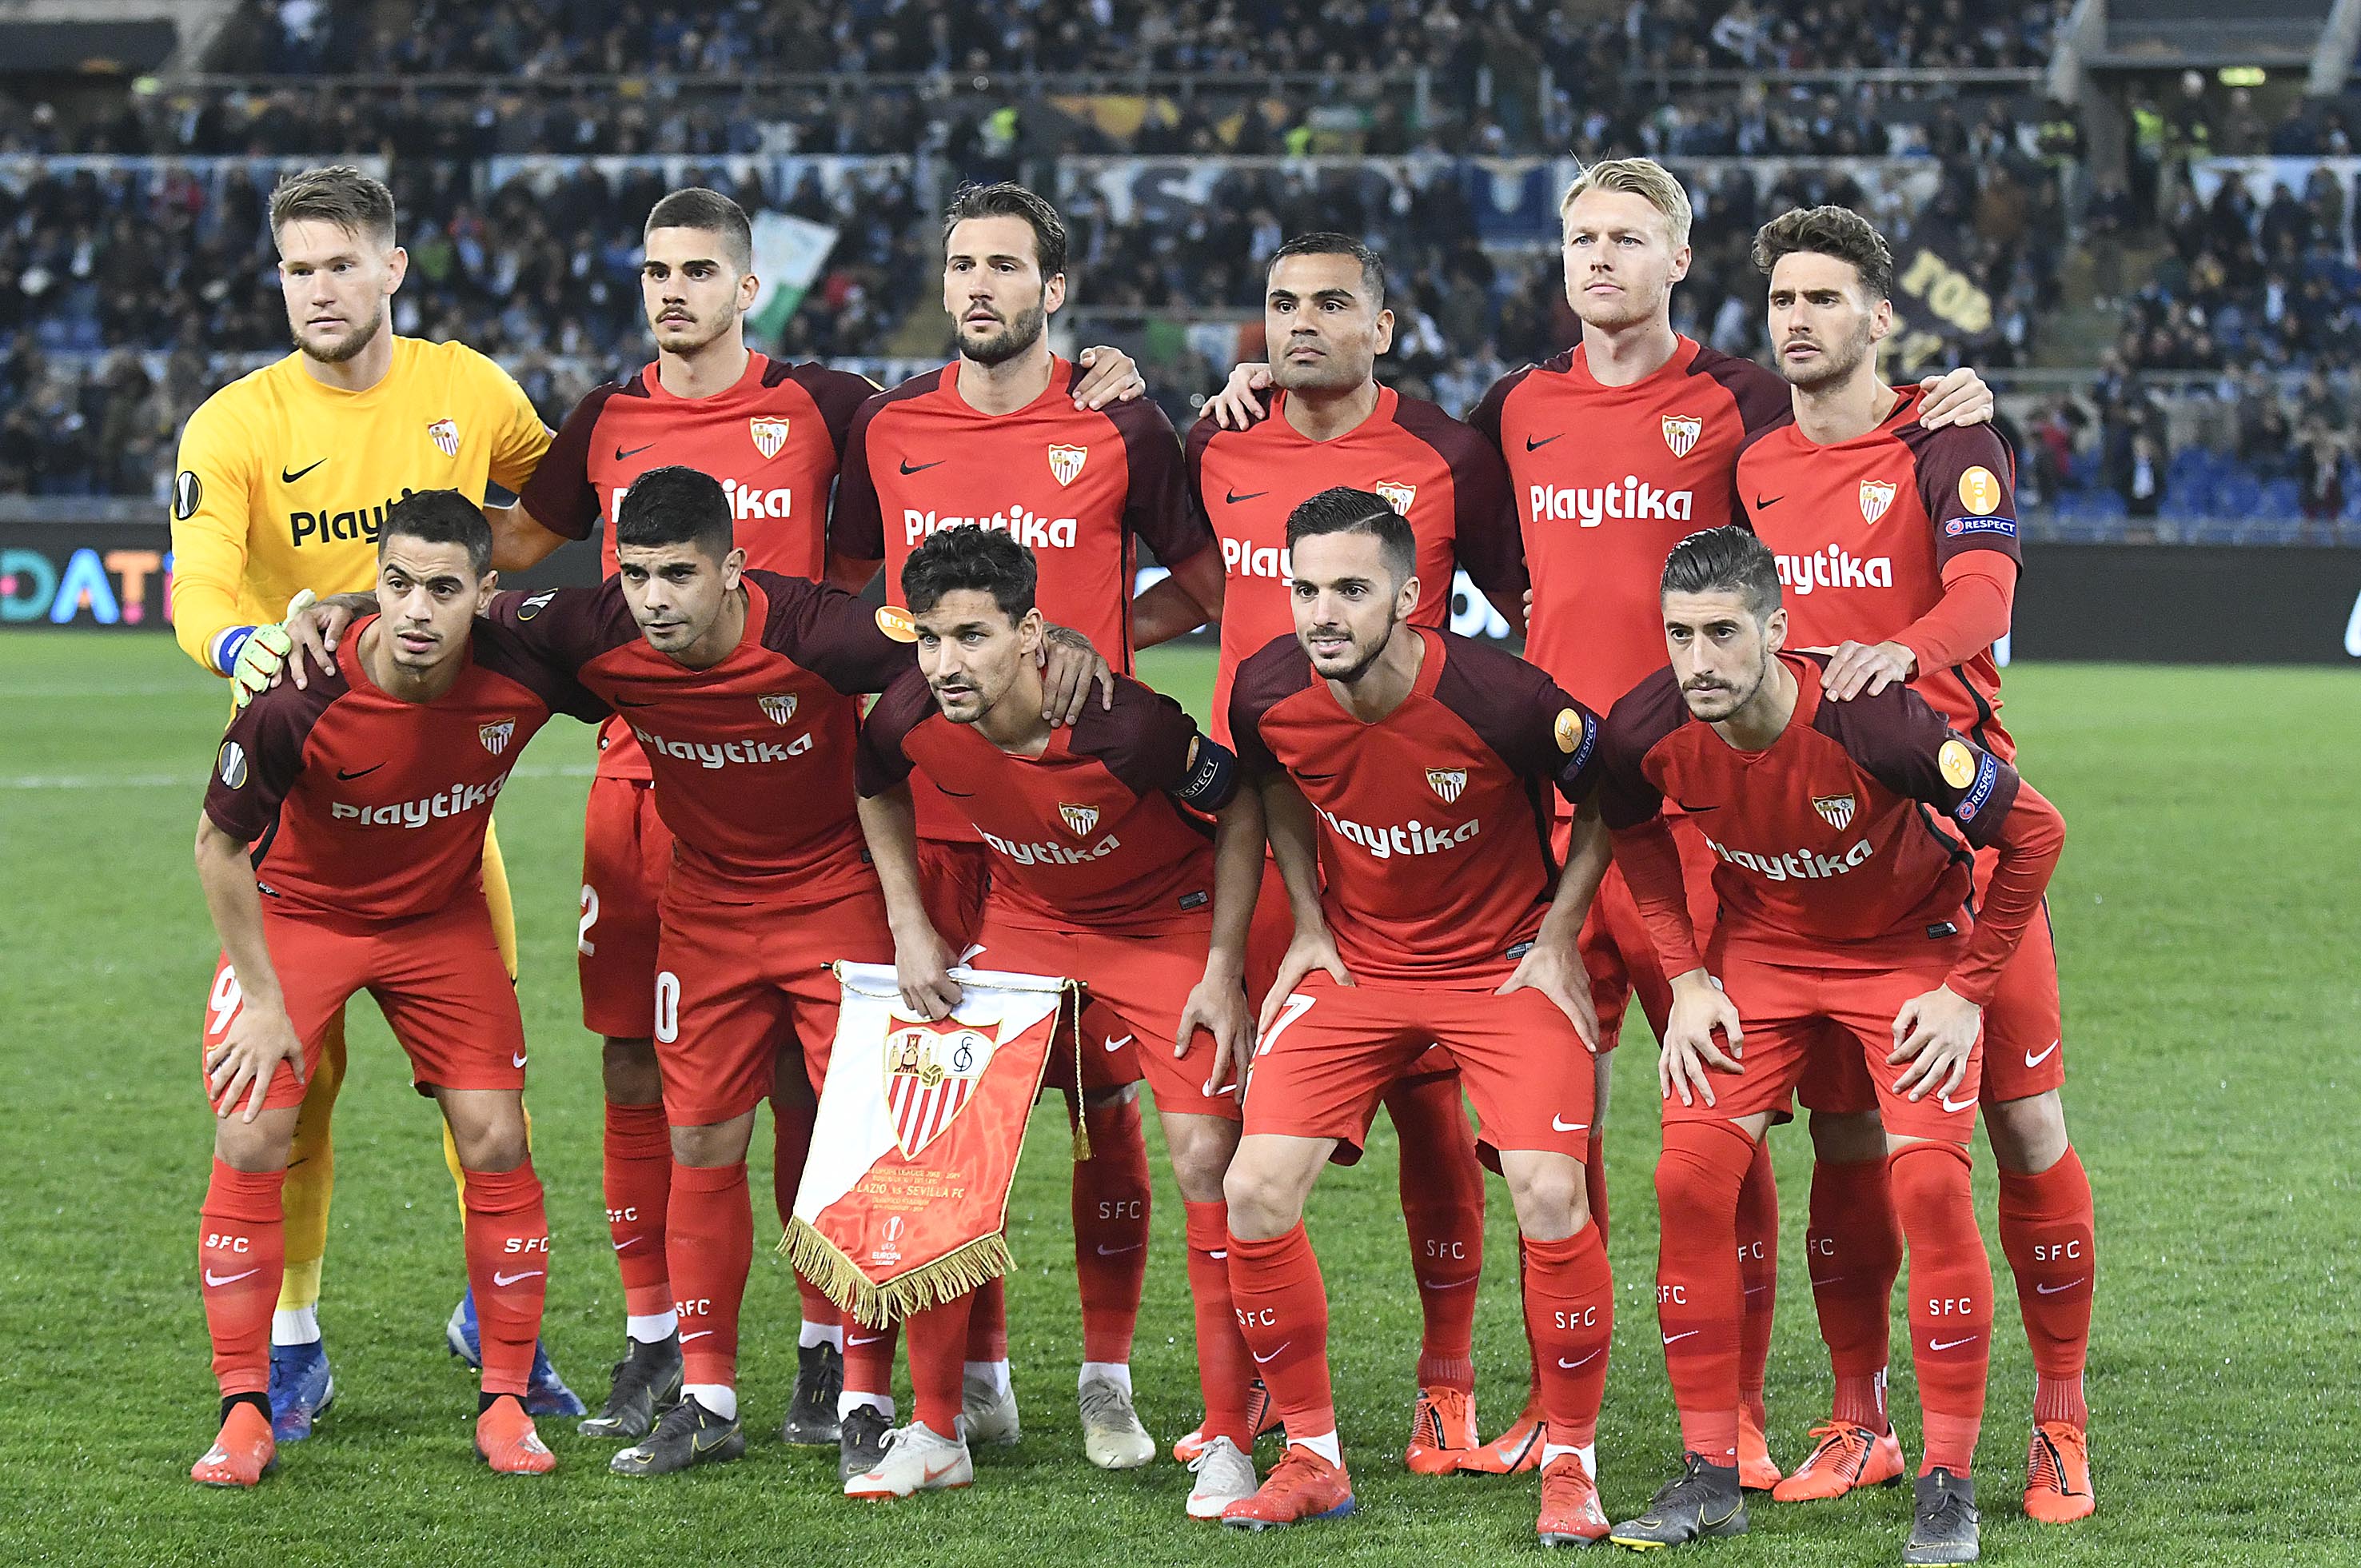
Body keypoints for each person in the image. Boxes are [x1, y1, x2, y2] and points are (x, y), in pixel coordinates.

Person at [1202, 158, 1998, 1478]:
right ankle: (1546, 1413)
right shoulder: (1513, 410)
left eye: (1628, 238)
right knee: (1536, 1128)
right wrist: (1242, 389)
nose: (1599, 259)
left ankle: (1756, 1411)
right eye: (1581, 238)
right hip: (1560, 820)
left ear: (1678, 259)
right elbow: (1496, 572)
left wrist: (1939, 401)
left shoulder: (1738, 399)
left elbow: (1846, 418)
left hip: (1709, 817)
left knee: (1728, 1129)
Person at [168, 162, 579, 1438]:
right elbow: (199, 588)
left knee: (487, 1102)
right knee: (288, 1091)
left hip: (444, 813)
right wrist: (258, 651)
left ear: (393, 267)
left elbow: (563, 500)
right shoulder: (233, 423)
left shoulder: (467, 389)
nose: (319, 289)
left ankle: (490, 1316)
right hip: (301, 799)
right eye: (298, 267)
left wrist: (485, 586)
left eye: (342, 262)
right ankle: (289, 1338)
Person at [826, 180, 1223, 1460]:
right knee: (953, 1114)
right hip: (941, 821)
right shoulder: (889, 429)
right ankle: (975, 1375)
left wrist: (1094, 642)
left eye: (1006, 265)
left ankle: (1105, 1375)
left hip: (1089, 814)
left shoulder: (1119, 422)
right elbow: (854, 592)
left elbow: (1206, 580)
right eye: (962, 265)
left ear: (1054, 290)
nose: (980, 285)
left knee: (1106, 1109)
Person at [1595, 525, 2064, 1566]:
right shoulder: (1642, 729)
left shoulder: (1877, 722)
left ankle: (1946, 1485)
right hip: (1762, 953)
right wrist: (1682, 975)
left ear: (1776, 629)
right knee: (1685, 1177)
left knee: (1934, 1186)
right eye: (1679, 634)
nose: (1698, 660)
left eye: (1722, 633)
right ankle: (1712, 1474)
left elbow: (2035, 830)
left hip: (1908, 953)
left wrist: (1964, 992)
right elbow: (1630, 828)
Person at [1736, 205, 2098, 1523]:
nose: (1797, 318)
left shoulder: (1949, 436)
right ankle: (1856, 1416)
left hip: (1954, 837)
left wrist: (1905, 653)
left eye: (1824, 297)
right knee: (1842, 1138)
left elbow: (1985, 599)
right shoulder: (1750, 457)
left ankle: (2054, 1421)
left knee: (2022, 1126)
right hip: (1812, 862)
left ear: (1880, 316)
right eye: (1780, 297)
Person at [1180, 231, 1527, 1472]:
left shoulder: (1448, 454)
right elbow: (1173, 580)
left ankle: (1448, 1389)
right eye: (1281, 303)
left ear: (1385, 324)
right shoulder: (1210, 443)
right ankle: (1245, 1401)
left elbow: (1523, 612)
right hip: (1261, 825)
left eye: (1333, 303)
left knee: (1435, 1119)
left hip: (1419, 842)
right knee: (1221, 1125)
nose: (1303, 322)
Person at [1219, 488, 1617, 1545]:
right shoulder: (1264, 691)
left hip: (1498, 969)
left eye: (1351, 589)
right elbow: (1274, 785)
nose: (1322, 613)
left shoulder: (1504, 698)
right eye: (1304, 588)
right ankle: (1313, 1455)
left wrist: (1561, 933)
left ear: (1409, 593)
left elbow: (1611, 789)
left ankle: (1571, 1463)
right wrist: (1305, 919)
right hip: (1360, 967)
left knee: (1546, 1186)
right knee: (1251, 1189)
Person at [189, 492, 604, 1486]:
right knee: (253, 1127)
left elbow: (648, 646)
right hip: (301, 916)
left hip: (439, 920)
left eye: (445, 588)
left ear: (486, 594)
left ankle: (506, 1398)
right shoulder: (300, 691)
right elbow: (217, 844)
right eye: (399, 584)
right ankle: (245, 1405)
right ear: (374, 584)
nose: (418, 609)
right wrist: (259, 996)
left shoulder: (523, 661)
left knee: (498, 1136)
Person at [852, 525, 1266, 1510]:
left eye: (972, 637)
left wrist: (1221, 968)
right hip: (1030, 922)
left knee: (1209, 1163)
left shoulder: (1130, 726)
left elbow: (1243, 806)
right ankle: (940, 1427)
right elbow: (873, 786)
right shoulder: (908, 711)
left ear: (1030, 633)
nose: (945, 664)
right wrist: (911, 926)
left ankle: (1229, 1436)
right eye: (928, 638)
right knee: (936, 1146)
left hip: (1163, 929)